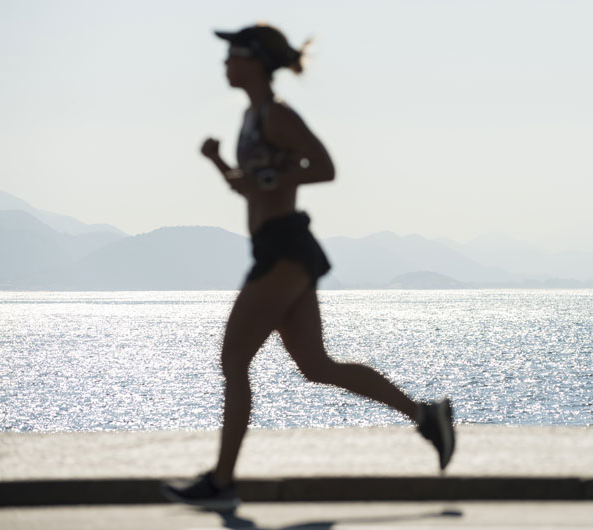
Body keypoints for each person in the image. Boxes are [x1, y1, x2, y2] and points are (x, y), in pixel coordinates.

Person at [161, 23, 455, 511]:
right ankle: (426, 417)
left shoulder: (277, 116)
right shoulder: (252, 118)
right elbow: (251, 185)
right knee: (316, 366)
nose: (224, 63)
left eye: (233, 53)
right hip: (276, 251)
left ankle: (221, 481)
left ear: (255, 60)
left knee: (234, 361)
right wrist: (218, 164)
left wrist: (265, 173)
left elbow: (323, 166)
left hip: (285, 249)